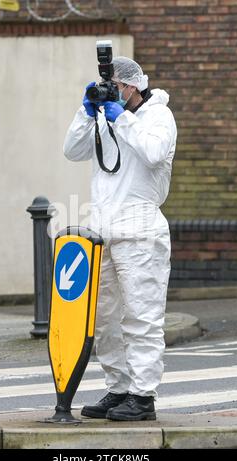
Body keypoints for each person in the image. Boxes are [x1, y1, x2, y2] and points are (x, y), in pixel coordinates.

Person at [63, 56, 177, 421]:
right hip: (103, 232)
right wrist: (87, 112)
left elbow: (153, 152)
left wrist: (119, 116)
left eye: (117, 86)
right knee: (103, 318)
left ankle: (142, 397)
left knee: (141, 316)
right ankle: (119, 388)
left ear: (133, 86)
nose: (113, 92)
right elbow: (72, 151)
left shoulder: (159, 116)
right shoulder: (104, 118)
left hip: (140, 230)